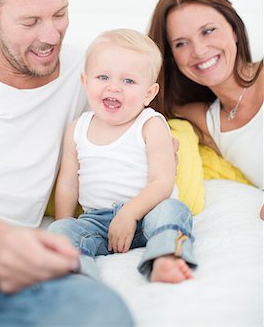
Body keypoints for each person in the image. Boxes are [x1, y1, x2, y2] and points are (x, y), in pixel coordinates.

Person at [0, 0, 134, 327]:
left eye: (60, 14)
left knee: (105, 313)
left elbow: (158, 96)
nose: (50, 35)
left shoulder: (87, 72)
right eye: (30, 21)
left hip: (8, 270)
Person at [49, 28, 197, 284]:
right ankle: (75, 271)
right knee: (59, 230)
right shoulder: (77, 129)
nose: (114, 87)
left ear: (149, 94)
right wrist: (66, 227)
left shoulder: (151, 125)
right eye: (103, 76)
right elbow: (68, 183)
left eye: (128, 81)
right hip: (98, 220)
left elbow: (162, 181)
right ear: (85, 82)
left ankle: (166, 256)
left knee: (174, 210)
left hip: (147, 213)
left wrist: (129, 214)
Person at [147, 0, 263, 219]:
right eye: (181, 43)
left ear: (233, 27)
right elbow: (142, 102)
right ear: (172, 58)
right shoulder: (202, 119)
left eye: (208, 31)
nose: (199, 51)